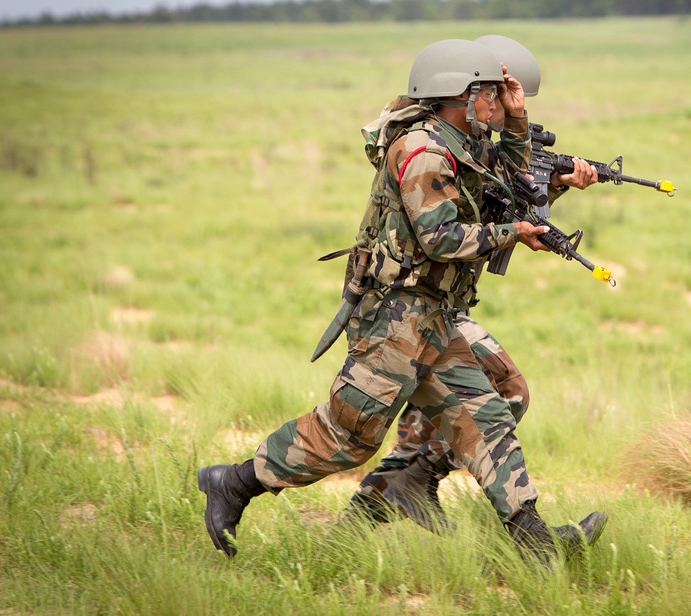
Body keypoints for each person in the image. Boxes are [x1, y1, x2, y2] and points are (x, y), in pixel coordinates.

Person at [197, 39, 606, 563]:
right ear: (465, 94)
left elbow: (507, 182)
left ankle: (533, 543)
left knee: (488, 414)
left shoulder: (457, 141)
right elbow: (439, 238)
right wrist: (510, 233)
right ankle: (232, 483)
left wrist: (521, 124)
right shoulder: (422, 152)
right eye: (493, 95)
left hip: (430, 316)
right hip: (396, 318)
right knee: (347, 437)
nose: (499, 104)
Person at [343, 35, 601, 536]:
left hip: (436, 304)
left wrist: (553, 184)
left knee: (488, 397)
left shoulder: (475, 142)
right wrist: (526, 211)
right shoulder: (440, 144)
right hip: (405, 306)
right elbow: (466, 225)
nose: (508, 109)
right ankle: (410, 491)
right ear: (476, 92)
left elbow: (506, 202)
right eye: (504, 98)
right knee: (349, 433)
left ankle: (381, 502)